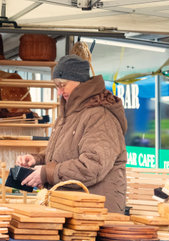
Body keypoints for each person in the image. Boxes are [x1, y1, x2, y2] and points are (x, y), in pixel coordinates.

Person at [16, 55, 127, 213]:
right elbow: (64, 153)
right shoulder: (69, 114)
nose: (59, 92)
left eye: (63, 85)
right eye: (56, 86)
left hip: (96, 213)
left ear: (80, 81)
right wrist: (37, 160)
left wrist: (46, 173)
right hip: (74, 208)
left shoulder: (100, 116)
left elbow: (92, 166)